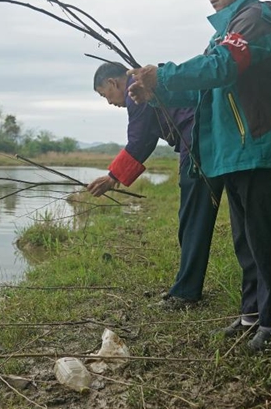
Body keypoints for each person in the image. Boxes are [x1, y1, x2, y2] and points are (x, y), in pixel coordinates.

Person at [127, 0, 271, 352]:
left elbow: (224, 66)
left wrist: (163, 72)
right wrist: (158, 90)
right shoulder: (226, 30)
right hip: (235, 152)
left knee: (267, 237)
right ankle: (251, 315)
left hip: (261, 146)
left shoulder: (256, 20)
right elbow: (205, 85)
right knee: (246, 239)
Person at [87, 61, 224, 309]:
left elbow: (140, 140)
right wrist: (115, 176)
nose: (108, 102)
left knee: (192, 219)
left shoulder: (134, 91)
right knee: (194, 217)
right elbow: (148, 138)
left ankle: (186, 293)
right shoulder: (145, 85)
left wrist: (112, 178)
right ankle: (187, 287)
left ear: (113, 83)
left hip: (197, 141)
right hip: (206, 137)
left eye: (104, 95)